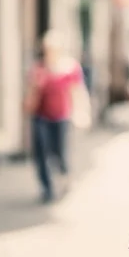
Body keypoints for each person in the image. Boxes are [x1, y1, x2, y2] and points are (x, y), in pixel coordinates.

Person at [23, 30, 87, 203]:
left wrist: (81, 113)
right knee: (42, 153)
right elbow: (30, 98)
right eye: (47, 48)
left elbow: (78, 92)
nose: (50, 52)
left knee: (60, 152)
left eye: (53, 48)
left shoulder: (69, 67)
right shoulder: (38, 70)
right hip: (41, 117)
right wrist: (34, 92)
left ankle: (65, 178)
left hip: (61, 117)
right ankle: (47, 188)